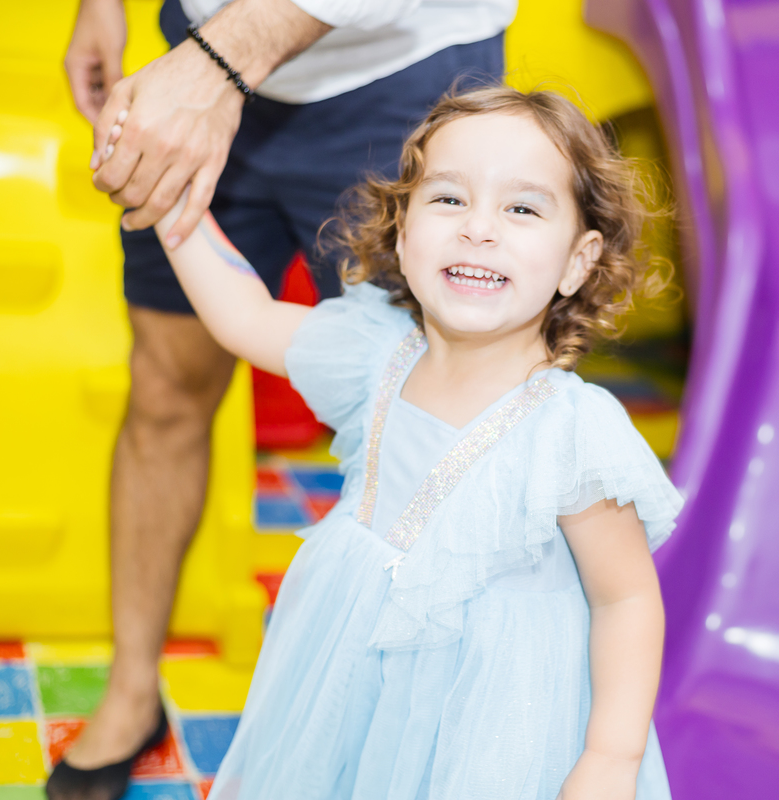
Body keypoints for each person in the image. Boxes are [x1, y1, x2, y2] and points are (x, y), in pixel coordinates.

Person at [143, 85, 683, 799]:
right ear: (402, 234)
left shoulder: (571, 433)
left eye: (521, 209)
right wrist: (173, 203)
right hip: (356, 681)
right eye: (449, 199)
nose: (478, 229)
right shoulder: (373, 356)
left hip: (496, 729)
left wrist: (609, 758)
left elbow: (625, 602)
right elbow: (244, 315)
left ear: (577, 263)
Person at [54, 0, 510, 794]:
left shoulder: (580, 441)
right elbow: (244, 320)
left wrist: (218, 64)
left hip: (396, 71)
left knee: (423, 426)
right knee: (164, 385)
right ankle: (131, 691)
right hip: (197, 60)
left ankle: (426, 737)